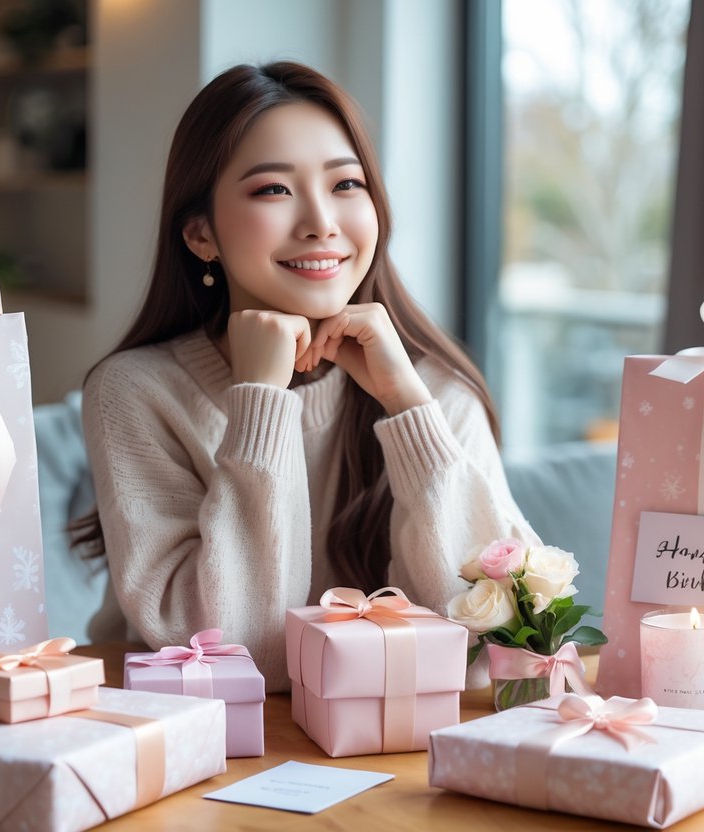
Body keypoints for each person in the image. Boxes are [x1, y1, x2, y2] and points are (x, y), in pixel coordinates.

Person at [75, 61, 536, 691]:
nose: (321, 221)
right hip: (189, 751)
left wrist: (406, 408)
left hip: (385, 752)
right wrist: (259, 402)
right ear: (200, 232)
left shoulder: (436, 390)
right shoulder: (134, 393)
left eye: (347, 185)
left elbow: (498, 648)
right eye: (273, 190)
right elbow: (238, 656)